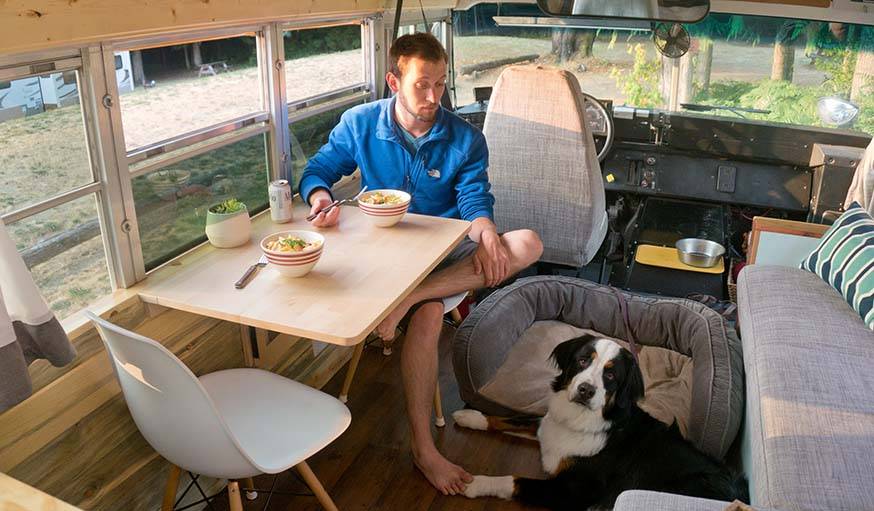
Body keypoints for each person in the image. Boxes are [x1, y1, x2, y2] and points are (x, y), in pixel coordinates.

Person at [299, 32, 543, 495]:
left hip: (445, 257)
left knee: (526, 242)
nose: (434, 97)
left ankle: (409, 303)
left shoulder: (466, 139)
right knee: (429, 313)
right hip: (384, 253)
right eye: (422, 85)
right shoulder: (360, 123)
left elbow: (473, 199)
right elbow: (318, 170)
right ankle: (424, 446)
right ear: (394, 80)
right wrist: (321, 199)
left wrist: (487, 231)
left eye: (441, 85)